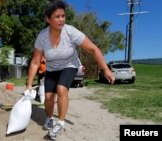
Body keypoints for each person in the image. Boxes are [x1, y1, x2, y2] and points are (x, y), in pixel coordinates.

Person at [26, 1, 115, 140]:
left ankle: (60, 123)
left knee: (61, 89)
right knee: (48, 97)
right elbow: (35, 62)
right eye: (57, 16)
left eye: (63, 16)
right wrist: (29, 85)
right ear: (48, 19)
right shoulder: (42, 37)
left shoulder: (70, 31)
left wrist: (106, 69)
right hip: (52, 68)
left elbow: (93, 49)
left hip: (69, 65)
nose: (61, 19)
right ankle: (49, 118)